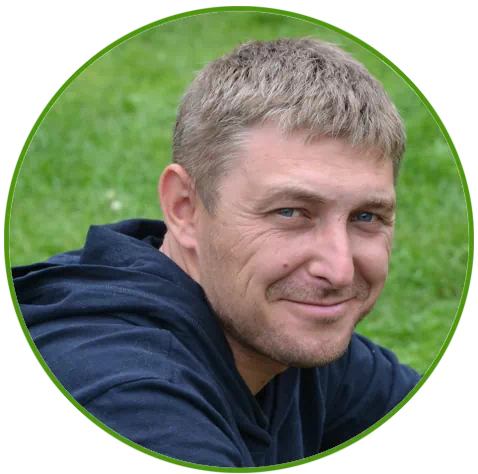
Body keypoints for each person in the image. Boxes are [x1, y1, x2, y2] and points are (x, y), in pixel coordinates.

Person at [1, 38, 472, 473]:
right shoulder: (118, 409)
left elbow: (459, 443)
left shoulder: (274, 335)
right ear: (185, 209)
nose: (338, 269)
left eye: (366, 217)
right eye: (290, 212)